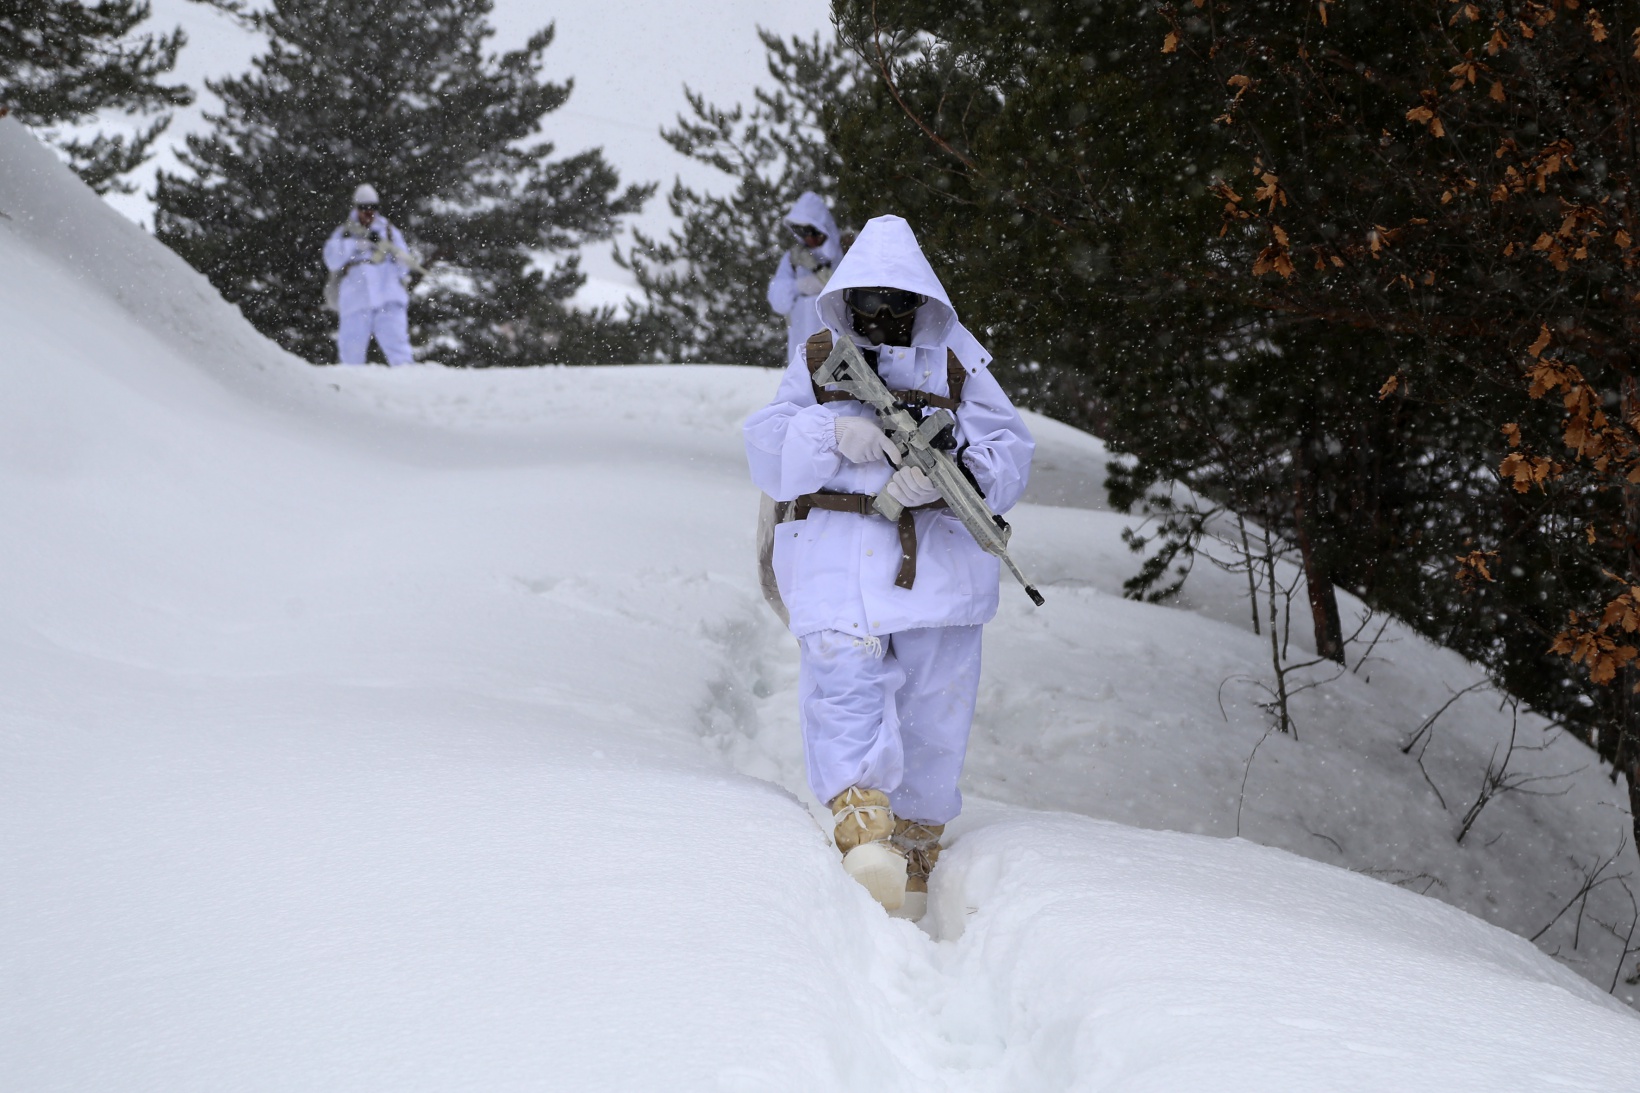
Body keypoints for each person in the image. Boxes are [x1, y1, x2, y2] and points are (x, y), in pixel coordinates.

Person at [743, 215, 1035, 917]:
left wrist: (945, 475)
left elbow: (1010, 452)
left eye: (896, 306)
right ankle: (862, 825)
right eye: (870, 305)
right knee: (844, 685)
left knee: (935, 709)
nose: (883, 320)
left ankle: (915, 843)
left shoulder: (959, 360)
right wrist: (836, 433)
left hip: (938, 567)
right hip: (840, 557)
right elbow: (766, 448)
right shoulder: (819, 355)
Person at [322, 183, 417, 366]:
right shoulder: (345, 231)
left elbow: (404, 267)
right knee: (351, 353)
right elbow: (331, 259)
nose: (368, 212)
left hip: (388, 296)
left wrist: (399, 258)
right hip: (357, 298)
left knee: (399, 350)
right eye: (363, 207)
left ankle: (408, 387)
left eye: (373, 207)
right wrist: (354, 245)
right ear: (356, 207)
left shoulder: (389, 230)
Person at [766, 192, 844, 365]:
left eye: (810, 231)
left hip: (837, 351)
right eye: (800, 231)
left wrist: (823, 278)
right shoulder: (793, 258)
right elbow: (778, 301)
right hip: (800, 351)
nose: (806, 237)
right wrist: (798, 287)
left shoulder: (843, 255)